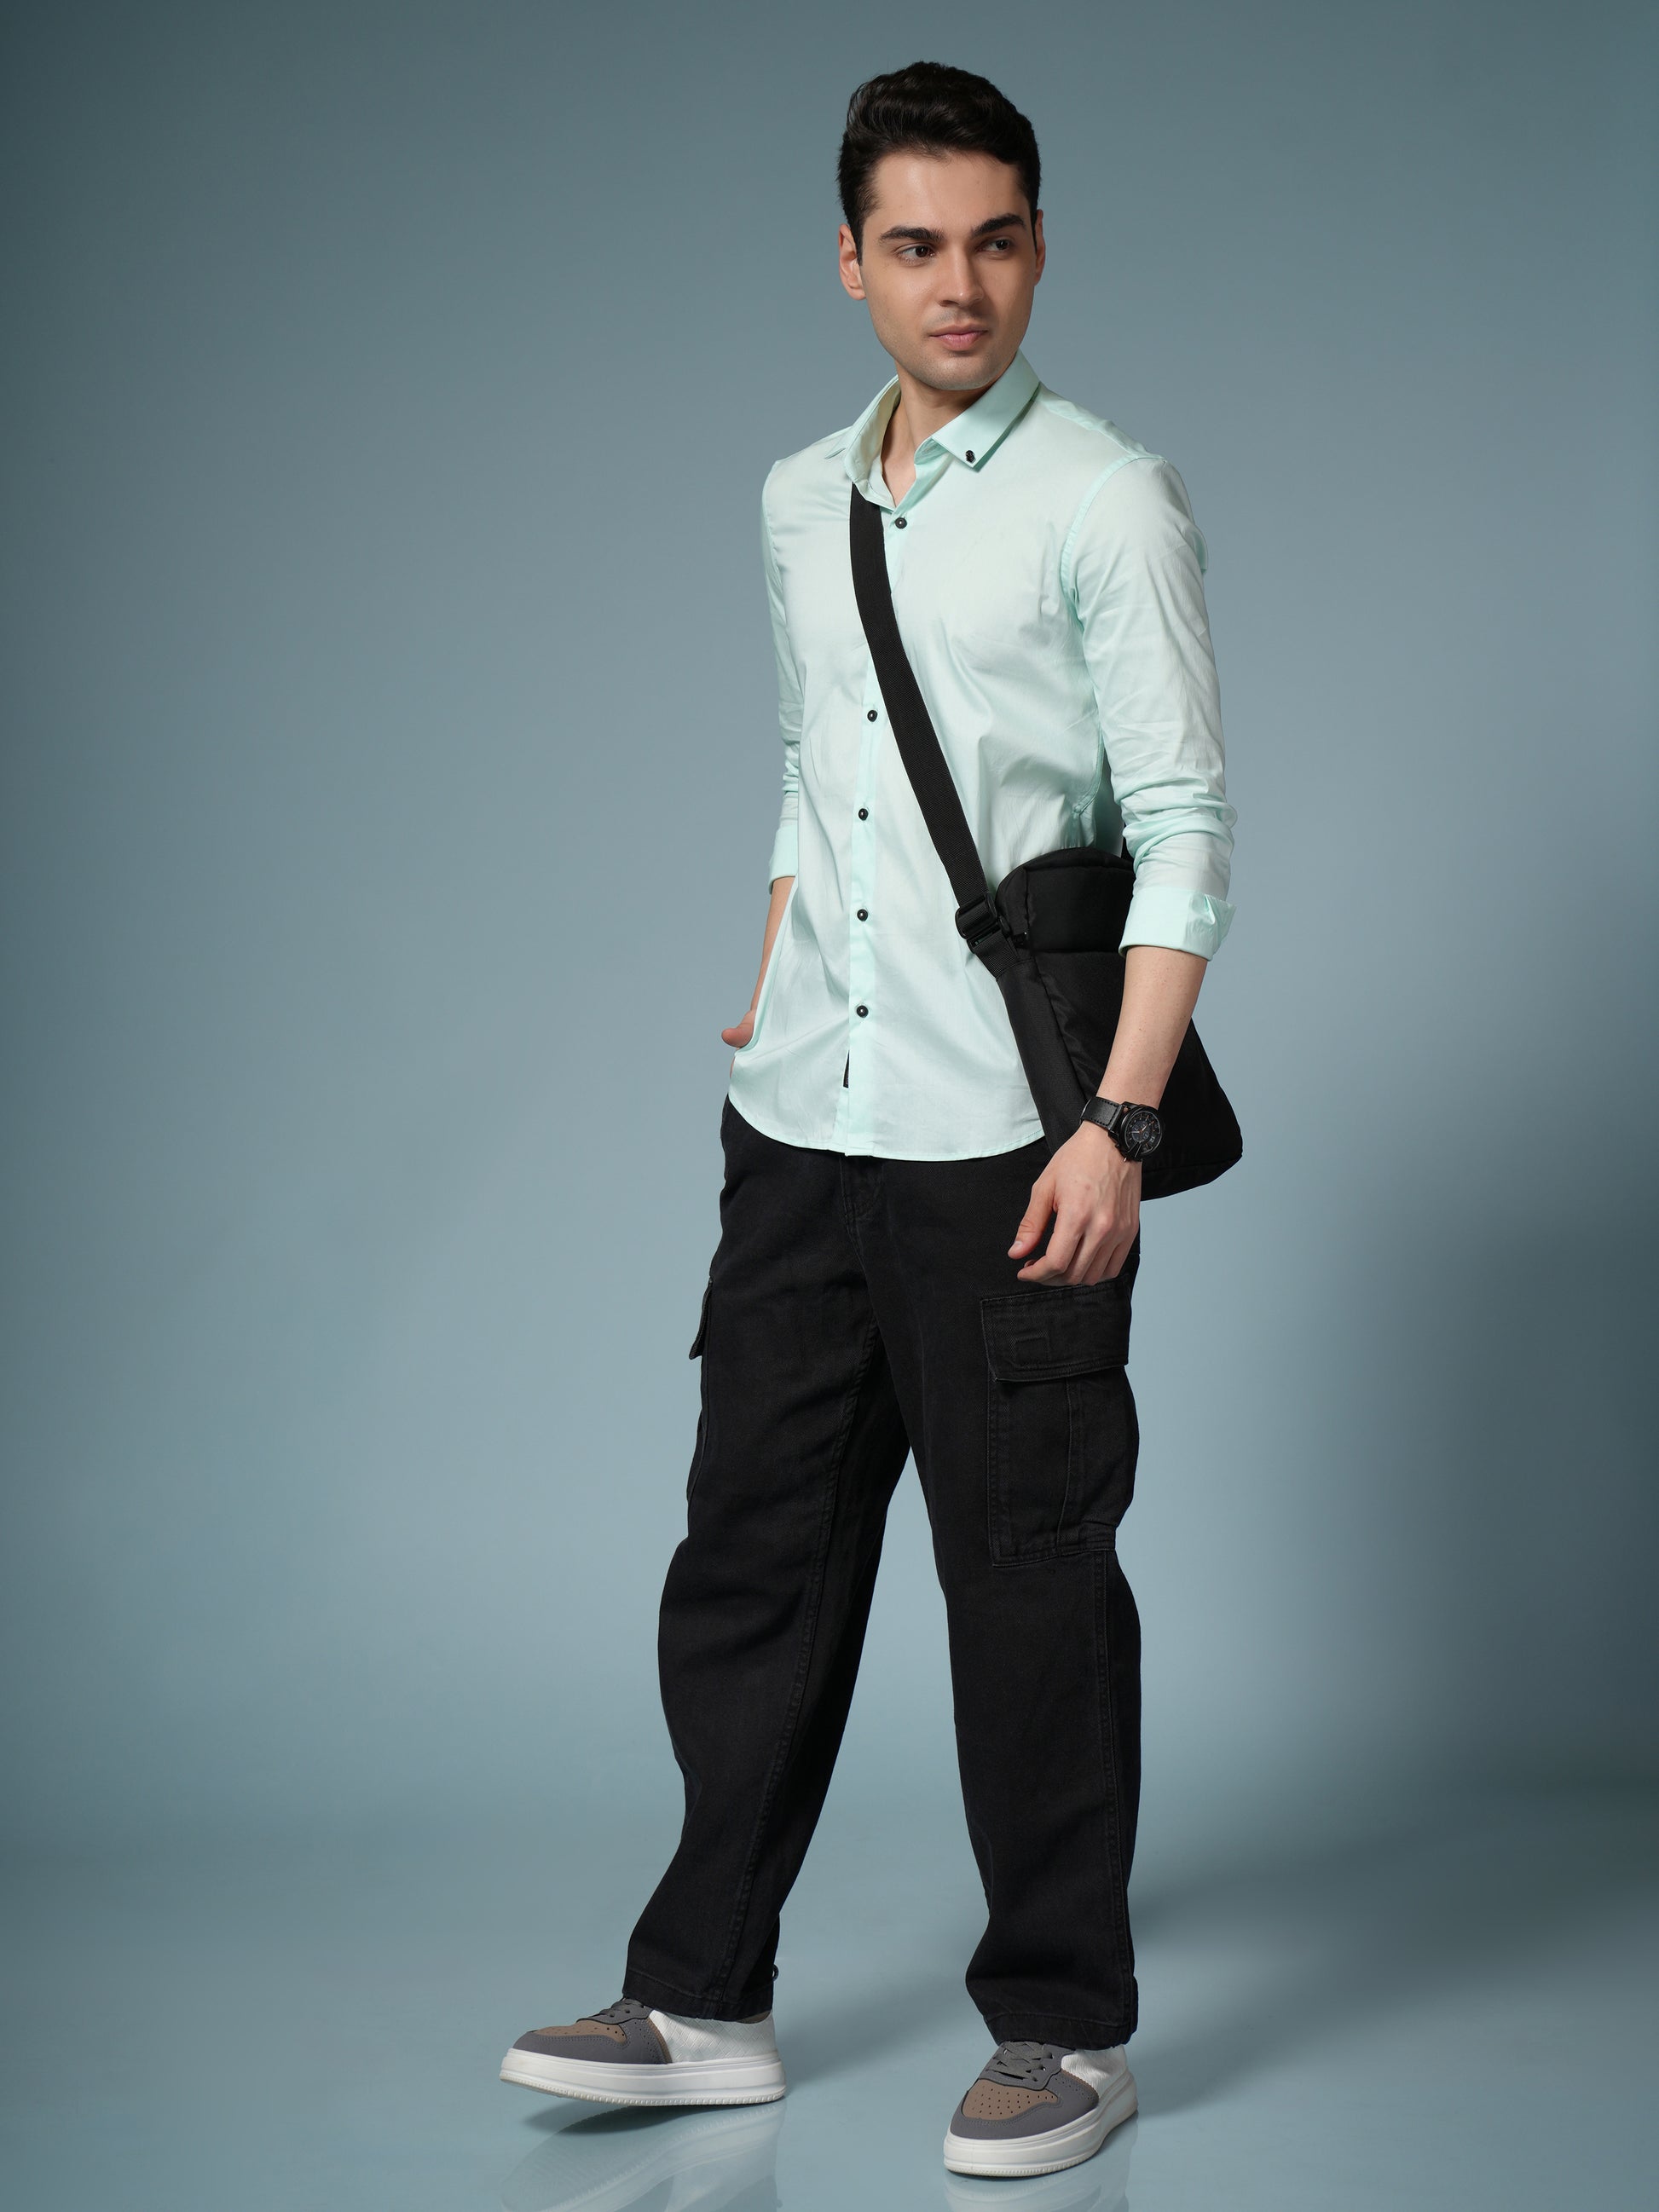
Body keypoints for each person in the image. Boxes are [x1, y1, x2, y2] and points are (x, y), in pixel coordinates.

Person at [500, 60, 1235, 2181]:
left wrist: (1116, 1124)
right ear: (849, 261)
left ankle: (1063, 2027)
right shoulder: (793, 496)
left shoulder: (1104, 496)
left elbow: (1183, 828)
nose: (957, 284)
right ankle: (699, 1994)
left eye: (994, 241)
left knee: (1025, 1587)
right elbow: (812, 770)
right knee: (751, 1555)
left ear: (1039, 248)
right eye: (914, 245)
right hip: (802, 1129)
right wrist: (765, 983)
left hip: (1013, 1139)